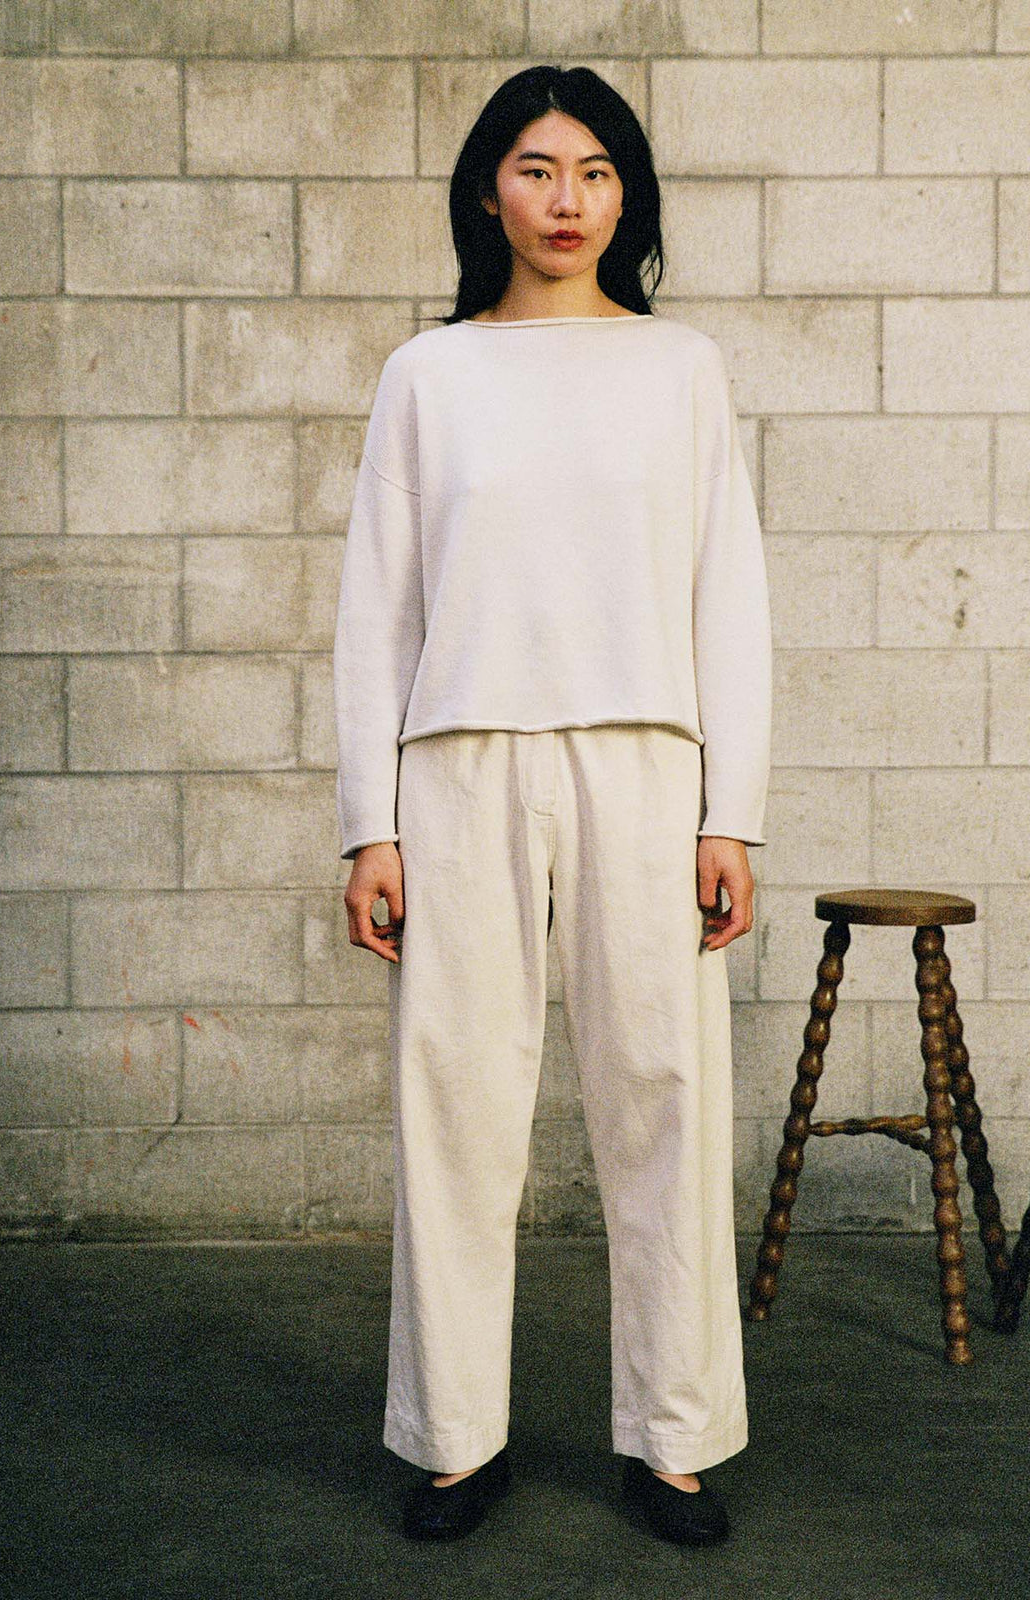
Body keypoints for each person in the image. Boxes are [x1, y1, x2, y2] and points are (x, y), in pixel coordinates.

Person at [332, 64, 773, 1548]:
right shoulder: (429, 374)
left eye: (593, 171)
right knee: (454, 1105)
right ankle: (455, 1442)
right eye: (536, 168)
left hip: (646, 763)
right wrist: (367, 823)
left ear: (626, 194)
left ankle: (674, 1438)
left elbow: (731, 600)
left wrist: (735, 813)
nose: (566, 198)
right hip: (458, 762)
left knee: (663, 1099)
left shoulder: (682, 369)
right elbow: (376, 611)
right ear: (487, 192)